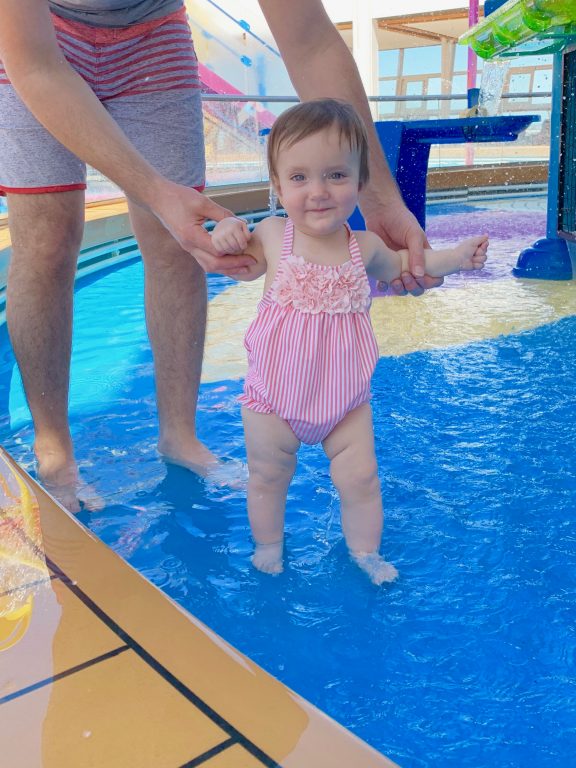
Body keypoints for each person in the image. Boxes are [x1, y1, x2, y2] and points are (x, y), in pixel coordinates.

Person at [0, 0, 439, 513]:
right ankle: (53, 448)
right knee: (48, 237)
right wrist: (155, 193)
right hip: (38, 38)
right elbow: (34, 64)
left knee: (175, 247)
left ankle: (180, 436)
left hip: (152, 33)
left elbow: (310, 40)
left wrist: (380, 199)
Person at [211, 99, 488, 583]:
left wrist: (456, 258)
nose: (318, 192)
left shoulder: (367, 248)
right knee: (268, 479)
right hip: (274, 399)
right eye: (299, 178)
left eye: (336, 176)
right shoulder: (274, 235)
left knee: (361, 480)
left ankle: (366, 554)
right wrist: (226, 231)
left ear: (360, 184)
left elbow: (409, 267)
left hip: (346, 401)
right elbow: (236, 256)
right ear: (276, 187)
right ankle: (269, 548)